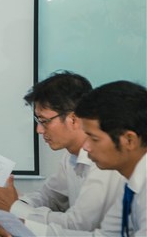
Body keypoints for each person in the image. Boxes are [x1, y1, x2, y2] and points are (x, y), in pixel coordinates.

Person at [0, 71, 124, 231]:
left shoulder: (105, 162)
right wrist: (14, 202)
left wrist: (14, 207)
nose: (39, 130)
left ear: (73, 119)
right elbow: (50, 196)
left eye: (44, 121)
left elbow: (80, 224)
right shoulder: (70, 155)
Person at [21, 80, 147, 236]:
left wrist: (23, 221)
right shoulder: (131, 183)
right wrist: (26, 228)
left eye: (94, 139)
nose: (86, 147)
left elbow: (82, 224)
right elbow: (106, 235)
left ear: (129, 140)